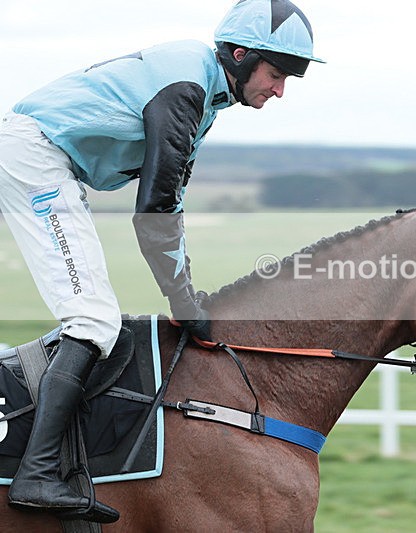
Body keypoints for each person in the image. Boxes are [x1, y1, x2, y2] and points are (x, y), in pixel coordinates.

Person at [0, 0, 323, 523]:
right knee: (93, 320)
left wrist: (185, 297)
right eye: (276, 74)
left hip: (40, 157)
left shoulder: (205, 93)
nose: (279, 90)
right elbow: (153, 208)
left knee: (94, 318)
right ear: (239, 56)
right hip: (34, 158)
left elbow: (167, 201)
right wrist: (183, 301)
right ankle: (37, 474)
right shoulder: (187, 88)